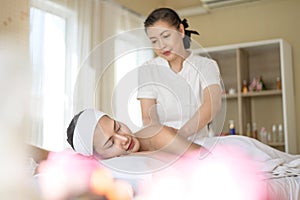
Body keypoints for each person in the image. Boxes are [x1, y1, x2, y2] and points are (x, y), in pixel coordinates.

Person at [137, 7, 222, 142]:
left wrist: (181, 135)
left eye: (166, 36)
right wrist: (161, 139)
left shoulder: (206, 65)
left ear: (181, 31)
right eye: (154, 41)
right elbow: (148, 117)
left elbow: (213, 103)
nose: (161, 45)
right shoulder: (147, 70)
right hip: (163, 143)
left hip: (198, 142)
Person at [66, 109, 205, 160]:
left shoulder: (157, 134)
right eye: (110, 143)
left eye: (118, 127)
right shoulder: (109, 165)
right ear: (99, 157)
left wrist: (146, 155)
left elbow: (210, 160)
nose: (124, 139)